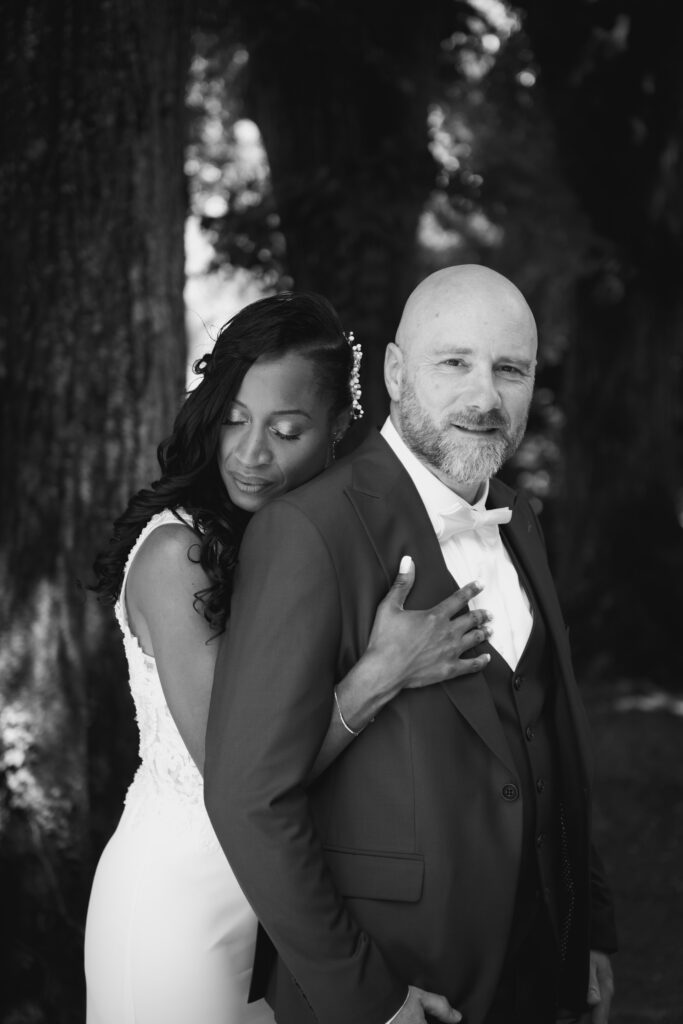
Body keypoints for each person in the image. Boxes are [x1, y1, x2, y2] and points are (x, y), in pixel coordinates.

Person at [204, 265, 618, 1024]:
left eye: (510, 370)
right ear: (396, 372)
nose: (485, 398)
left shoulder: (520, 518)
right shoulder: (307, 530)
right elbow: (248, 799)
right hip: (395, 978)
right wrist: (366, 999)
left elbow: (553, 737)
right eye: (454, 362)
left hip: (539, 971)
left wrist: (586, 927)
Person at [83, 292, 491, 1024]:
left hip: (284, 915)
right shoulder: (176, 555)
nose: (251, 454)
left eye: (286, 430)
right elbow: (239, 772)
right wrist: (381, 673)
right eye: (234, 419)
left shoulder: (303, 541)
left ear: (336, 429)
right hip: (177, 915)